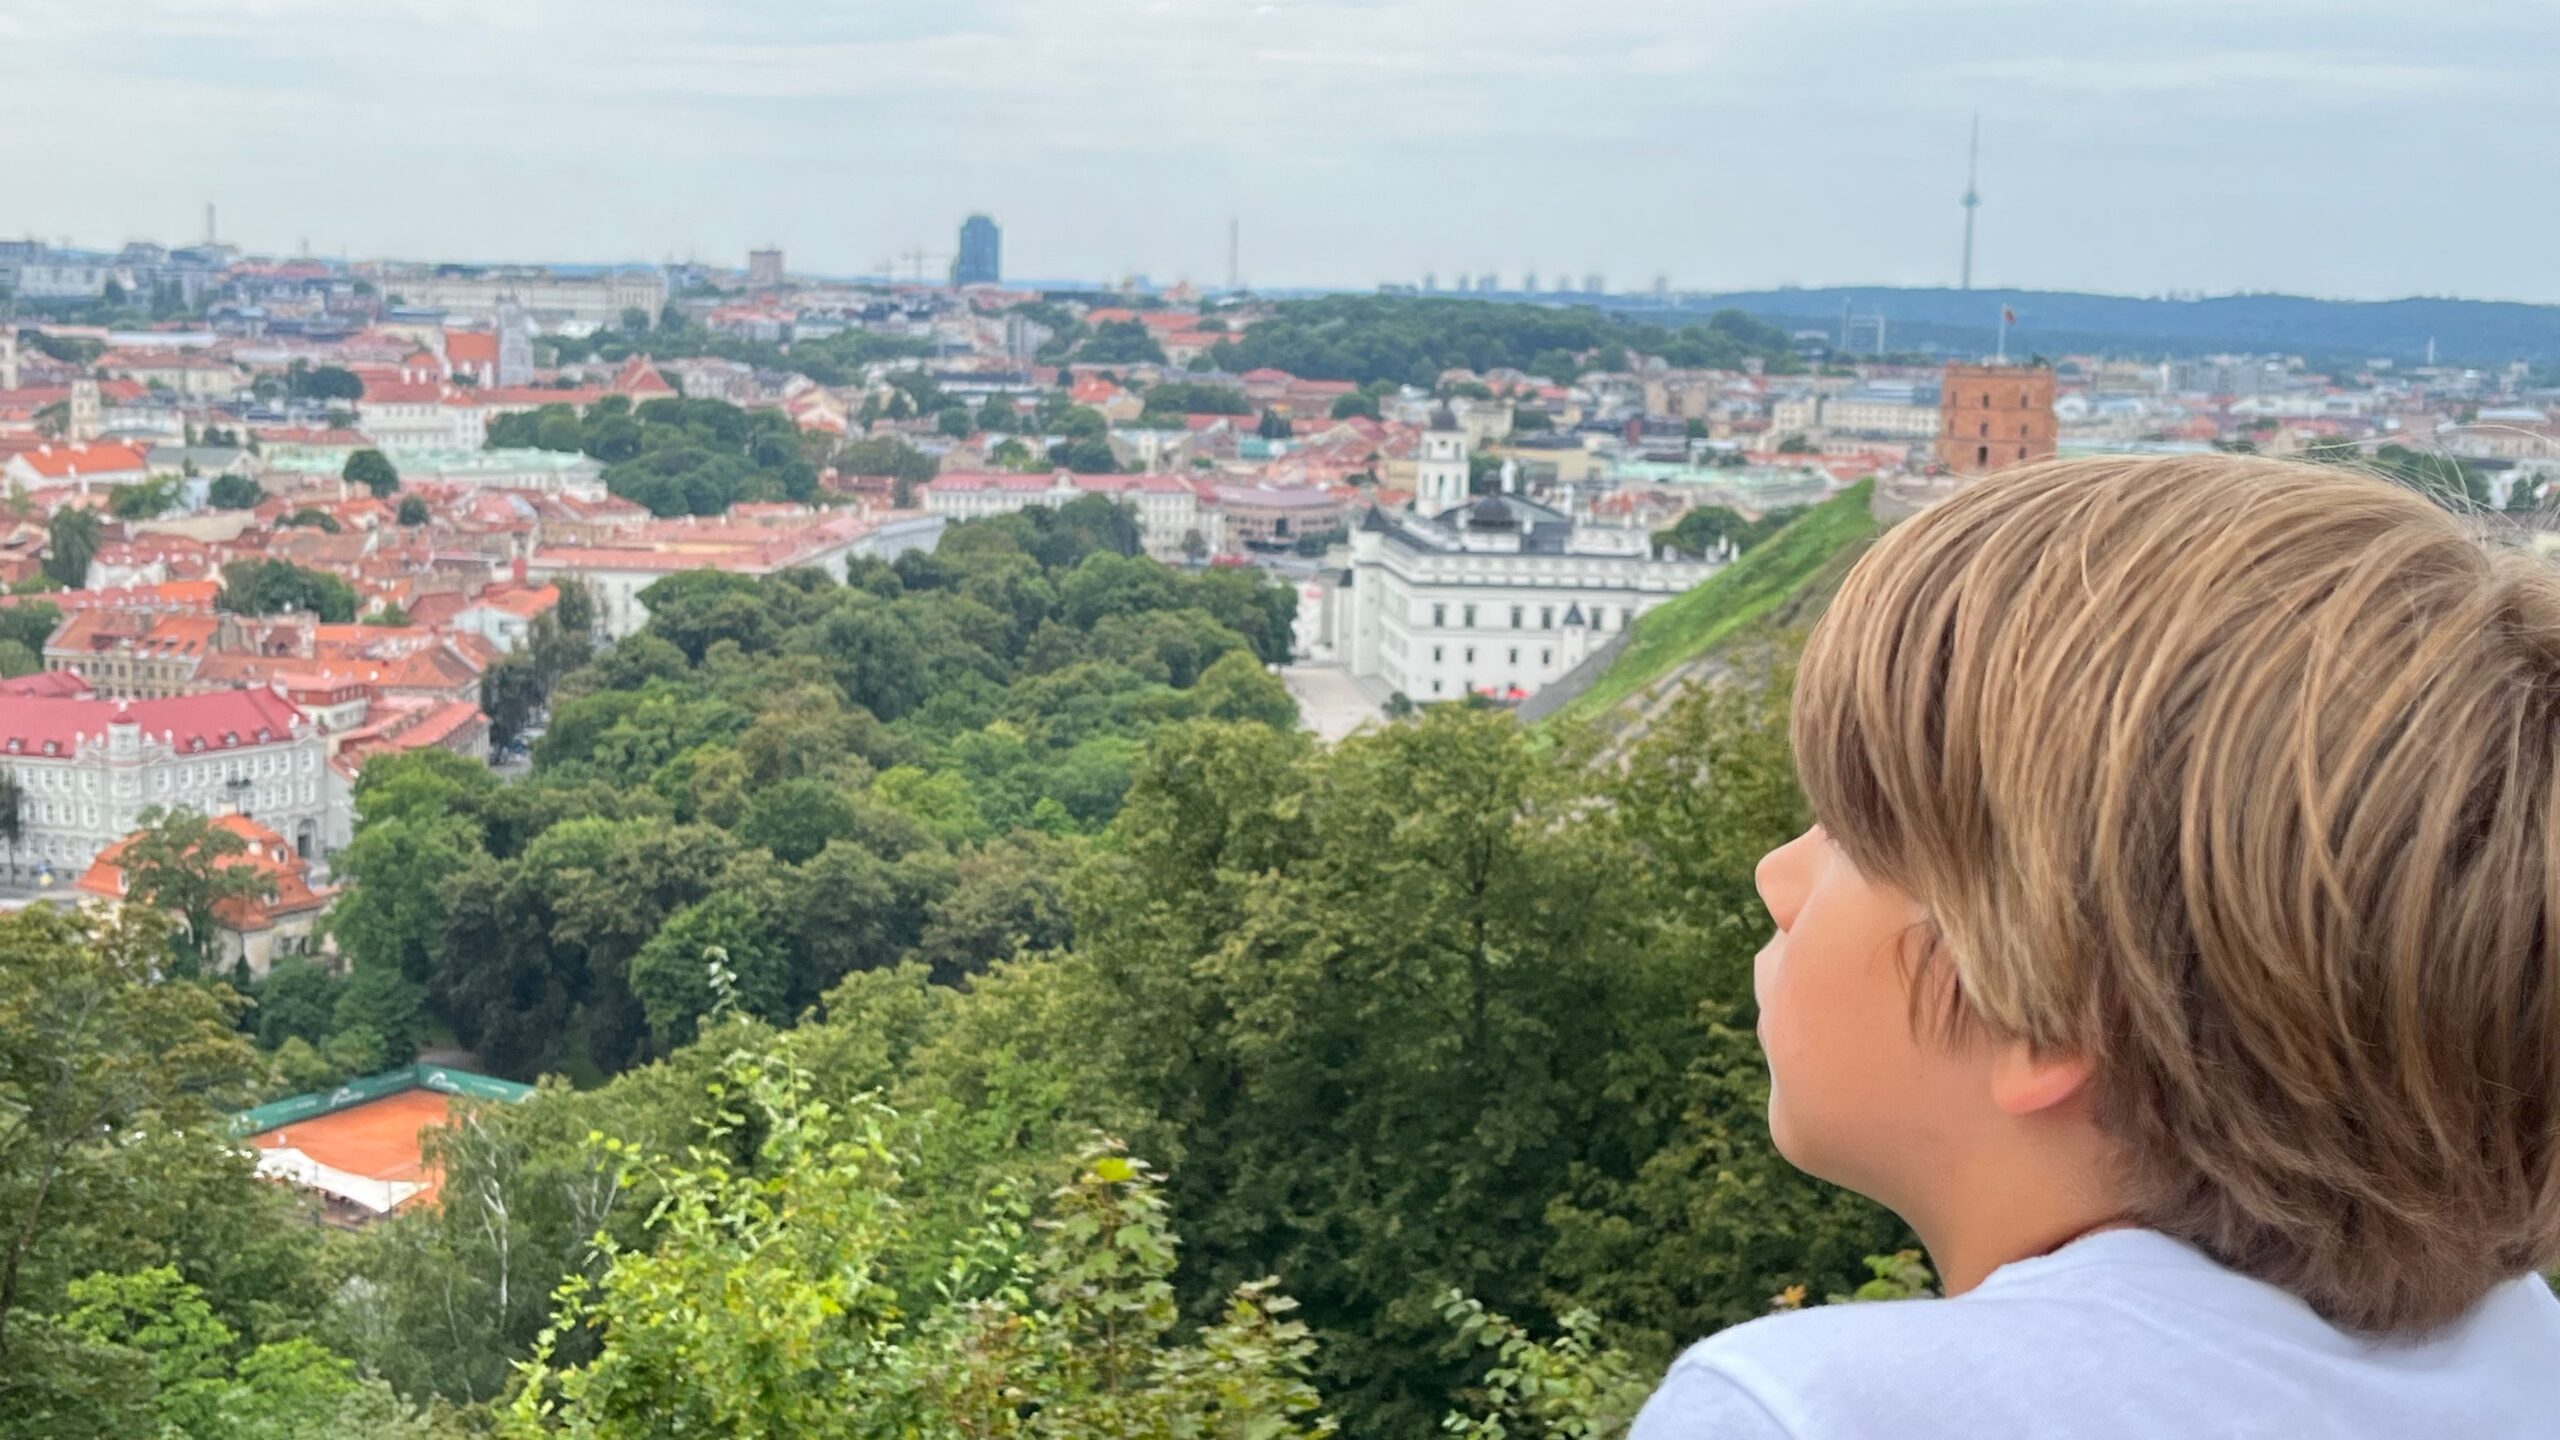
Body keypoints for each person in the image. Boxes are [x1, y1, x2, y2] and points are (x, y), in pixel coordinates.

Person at [1634, 455, 2560, 1438]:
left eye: (1854, 839)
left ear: (2041, 1012)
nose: (1776, 877)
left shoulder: (1815, 1412)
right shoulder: (2524, 1351)